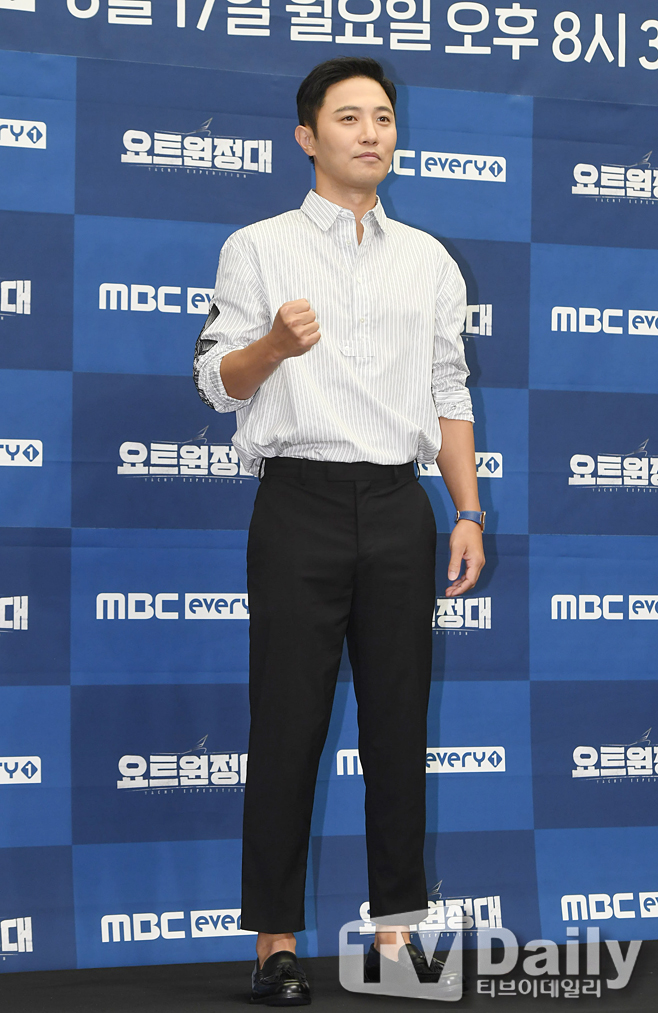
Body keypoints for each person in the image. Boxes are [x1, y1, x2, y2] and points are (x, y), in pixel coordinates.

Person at [193, 56, 485, 1005]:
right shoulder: (257, 247)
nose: (371, 133)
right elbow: (215, 382)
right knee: (287, 726)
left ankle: (395, 940)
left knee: (399, 726)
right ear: (307, 137)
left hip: (401, 505)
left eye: (383, 117)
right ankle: (275, 944)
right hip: (298, 503)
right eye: (350, 117)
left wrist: (467, 509)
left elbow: (448, 392)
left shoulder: (429, 260)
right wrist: (274, 345)